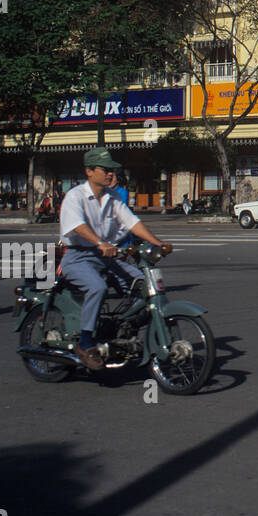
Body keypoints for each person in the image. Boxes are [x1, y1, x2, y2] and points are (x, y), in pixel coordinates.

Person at [58, 147, 172, 371]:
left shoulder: (112, 198)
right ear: (89, 171)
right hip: (78, 257)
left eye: (112, 170)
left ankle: (123, 327)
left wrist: (157, 243)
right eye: (105, 169)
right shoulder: (75, 196)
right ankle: (86, 342)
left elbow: (132, 222)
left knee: (145, 286)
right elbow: (77, 226)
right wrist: (100, 243)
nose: (110, 174)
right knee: (97, 288)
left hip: (107, 257)